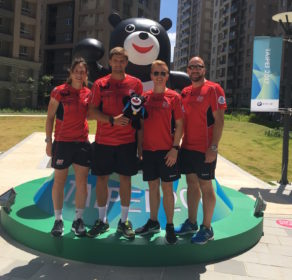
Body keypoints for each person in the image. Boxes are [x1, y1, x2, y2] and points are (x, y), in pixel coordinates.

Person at [87, 47, 143, 240]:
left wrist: (140, 145)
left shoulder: (136, 84)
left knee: (125, 180)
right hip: (103, 141)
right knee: (101, 180)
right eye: (115, 60)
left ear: (126, 63)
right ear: (110, 62)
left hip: (127, 142)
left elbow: (139, 116)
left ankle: (124, 221)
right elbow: (91, 112)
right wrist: (112, 120)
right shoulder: (100, 84)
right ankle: (102, 221)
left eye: (122, 61)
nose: (118, 64)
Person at [174, 56, 227, 244]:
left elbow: (219, 120)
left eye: (199, 66)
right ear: (187, 70)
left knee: (206, 186)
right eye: (192, 67)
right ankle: (192, 222)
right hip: (187, 147)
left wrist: (213, 147)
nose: (195, 69)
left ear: (204, 69)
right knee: (191, 184)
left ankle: (207, 228)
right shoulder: (185, 92)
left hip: (205, 149)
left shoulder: (213, 89)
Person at [135, 60, 184, 245]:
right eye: (156, 73)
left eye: (163, 73)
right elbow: (140, 125)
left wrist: (175, 148)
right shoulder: (144, 98)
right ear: (151, 76)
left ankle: (169, 226)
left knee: (167, 189)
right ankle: (153, 222)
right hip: (148, 151)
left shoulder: (174, 97)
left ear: (167, 76)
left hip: (167, 152)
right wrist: (140, 148)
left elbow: (180, 125)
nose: (159, 77)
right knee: (152, 188)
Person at [45, 57, 92, 237]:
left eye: (83, 71)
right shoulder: (59, 91)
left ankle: (78, 220)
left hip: (81, 143)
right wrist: (48, 141)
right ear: (71, 73)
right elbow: (49, 117)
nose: (80, 74)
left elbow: (93, 113)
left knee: (82, 183)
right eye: (77, 71)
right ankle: (58, 220)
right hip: (62, 143)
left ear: (86, 74)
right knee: (59, 181)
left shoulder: (89, 93)